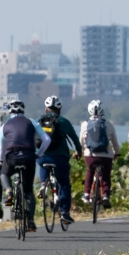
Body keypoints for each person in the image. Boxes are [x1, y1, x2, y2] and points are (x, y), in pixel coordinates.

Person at [0, 100, 48, 233]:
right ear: (23, 111)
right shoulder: (32, 122)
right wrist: (39, 154)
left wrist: (1, 161)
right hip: (28, 158)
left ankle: (8, 191)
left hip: (12, 157)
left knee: (4, 174)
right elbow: (46, 139)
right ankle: (31, 221)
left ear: (10, 111)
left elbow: (1, 149)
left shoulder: (4, 126)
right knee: (28, 191)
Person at [36, 95, 83, 225]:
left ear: (46, 109)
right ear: (60, 109)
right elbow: (74, 139)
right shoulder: (64, 122)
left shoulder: (39, 120)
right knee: (64, 184)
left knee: (42, 163)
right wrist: (79, 151)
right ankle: (64, 213)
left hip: (42, 156)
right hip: (60, 157)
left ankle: (43, 185)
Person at [79, 99, 119, 208]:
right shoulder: (108, 124)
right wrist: (117, 153)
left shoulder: (85, 124)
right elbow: (114, 141)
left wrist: (82, 151)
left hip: (90, 155)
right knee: (106, 175)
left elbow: (81, 142)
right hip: (106, 156)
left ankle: (87, 194)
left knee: (90, 171)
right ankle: (105, 195)